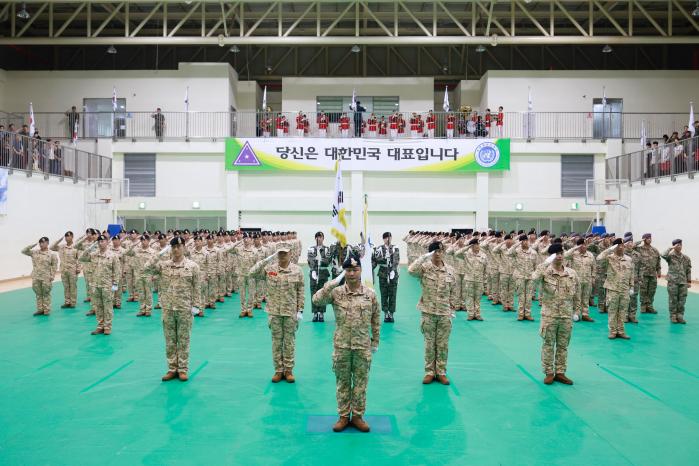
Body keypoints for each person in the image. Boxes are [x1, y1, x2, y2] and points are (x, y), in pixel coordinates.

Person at [312, 251, 380, 433]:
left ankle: (357, 416)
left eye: (355, 269)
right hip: (341, 346)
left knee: (360, 383)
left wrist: (375, 342)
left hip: (362, 346)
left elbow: (375, 318)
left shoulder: (370, 295)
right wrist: (331, 283)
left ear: (360, 271)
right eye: (348, 270)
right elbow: (316, 300)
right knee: (342, 382)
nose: (351, 273)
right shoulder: (336, 293)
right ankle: (343, 416)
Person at [145, 237, 202, 382]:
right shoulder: (164, 265)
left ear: (184, 247)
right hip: (168, 308)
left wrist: (196, 306)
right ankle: (172, 368)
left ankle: (182, 369)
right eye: (173, 247)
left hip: (184, 309)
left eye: (178, 246)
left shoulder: (193, 266)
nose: (176, 249)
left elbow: (197, 288)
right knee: (170, 341)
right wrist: (158, 254)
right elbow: (146, 267)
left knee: (183, 340)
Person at [250, 242, 305, 383]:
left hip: (290, 312)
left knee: (289, 342)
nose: (282, 255)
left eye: (285, 253)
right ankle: (278, 370)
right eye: (279, 253)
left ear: (290, 254)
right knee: (276, 342)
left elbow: (301, 291)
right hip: (274, 312)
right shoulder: (270, 269)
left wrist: (300, 310)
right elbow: (252, 272)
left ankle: (288, 370)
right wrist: (267, 259)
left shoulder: (297, 270)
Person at [408, 241, 458, 385]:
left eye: (440, 251)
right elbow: (411, 271)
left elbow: (454, 290)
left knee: (442, 344)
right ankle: (429, 372)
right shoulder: (425, 268)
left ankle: (441, 372)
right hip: (428, 312)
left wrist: (452, 309)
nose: (438, 254)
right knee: (429, 344)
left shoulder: (450, 270)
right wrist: (424, 257)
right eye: (435, 251)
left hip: (444, 313)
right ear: (431, 253)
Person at [531, 243, 578, 385]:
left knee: (563, 345)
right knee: (548, 344)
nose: (559, 256)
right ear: (551, 256)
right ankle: (549, 372)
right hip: (550, 316)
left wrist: (576, 310)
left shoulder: (571, 273)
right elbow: (534, 279)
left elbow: (577, 293)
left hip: (565, 316)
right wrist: (544, 263)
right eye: (556, 254)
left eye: (561, 253)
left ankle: (560, 372)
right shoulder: (545, 272)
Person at [79, 235, 121, 335]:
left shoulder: (113, 255)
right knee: (98, 306)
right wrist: (89, 248)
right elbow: (81, 258)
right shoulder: (94, 254)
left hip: (107, 285)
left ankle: (107, 326)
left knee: (107, 307)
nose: (101, 243)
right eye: (99, 241)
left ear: (107, 242)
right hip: (96, 285)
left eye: (103, 241)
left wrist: (114, 287)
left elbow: (117, 272)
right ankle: (100, 325)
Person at [597, 239, 634, 339]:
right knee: (612, 311)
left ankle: (621, 331)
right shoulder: (609, 258)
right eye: (618, 245)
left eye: (622, 245)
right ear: (614, 247)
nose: (621, 247)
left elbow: (631, 273)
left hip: (625, 289)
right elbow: (599, 258)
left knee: (622, 311)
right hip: (613, 289)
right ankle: (613, 331)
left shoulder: (628, 259)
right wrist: (610, 249)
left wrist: (632, 286)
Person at [21, 237, 59, 316]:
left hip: (46, 277)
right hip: (36, 276)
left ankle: (46, 310)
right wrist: (34, 244)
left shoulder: (52, 254)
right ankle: (40, 309)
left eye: (43, 242)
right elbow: (23, 251)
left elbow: (54, 266)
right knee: (38, 294)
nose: (41, 244)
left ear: (47, 243)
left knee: (46, 293)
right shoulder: (35, 252)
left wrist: (52, 276)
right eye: (40, 243)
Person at [564, 238, 596, 322]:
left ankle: (585, 314)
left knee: (586, 298)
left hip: (587, 280)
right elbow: (565, 255)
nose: (584, 246)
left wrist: (593, 277)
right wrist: (574, 248)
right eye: (581, 245)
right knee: (577, 298)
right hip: (576, 280)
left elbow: (594, 267)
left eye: (585, 245)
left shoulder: (590, 255)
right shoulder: (574, 254)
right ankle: (576, 313)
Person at [455, 238, 488, 321]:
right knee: (469, 297)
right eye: (475, 244)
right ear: (472, 246)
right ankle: (470, 314)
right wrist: (468, 247)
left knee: (478, 298)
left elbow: (486, 269)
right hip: (469, 279)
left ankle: (477, 314)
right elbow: (457, 253)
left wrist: (485, 280)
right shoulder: (466, 254)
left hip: (479, 279)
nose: (477, 246)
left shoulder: (483, 255)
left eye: (478, 244)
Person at [508, 234, 539, 321]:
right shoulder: (517, 251)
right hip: (520, 276)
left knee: (529, 297)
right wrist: (516, 244)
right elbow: (508, 253)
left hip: (530, 277)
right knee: (521, 296)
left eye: (526, 240)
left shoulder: (533, 252)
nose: (525, 242)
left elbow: (536, 266)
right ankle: (521, 314)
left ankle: (528, 313)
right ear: (520, 242)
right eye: (523, 241)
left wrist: (535, 276)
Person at [661, 239, 692, 324]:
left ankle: (680, 316)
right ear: (674, 246)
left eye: (681, 245)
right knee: (673, 300)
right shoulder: (670, 256)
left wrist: (689, 281)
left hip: (683, 282)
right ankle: (673, 316)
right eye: (677, 245)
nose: (680, 246)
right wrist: (670, 248)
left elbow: (688, 270)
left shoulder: (686, 258)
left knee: (682, 300)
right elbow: (663, 255)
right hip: (673, 282)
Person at [126, 234, 157, 316]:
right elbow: (127, 253)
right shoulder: (137, 250)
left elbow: (156, 264)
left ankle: (148, 310)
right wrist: (134, 245)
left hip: (148, 275)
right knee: (141, 293)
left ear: (149, 241)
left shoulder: (153, 252)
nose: (143, 242)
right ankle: (142, 309)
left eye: (145, 240)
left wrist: (154, 275)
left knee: (148, 293)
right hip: (138, 275)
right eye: (142, 240)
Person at [373, 232, 400, 323]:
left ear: (391, 238)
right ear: (383, 239)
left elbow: (396, 259)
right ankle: (385, 312)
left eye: (389, 237)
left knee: (392, 294)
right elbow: (377, 259)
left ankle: (391, 313)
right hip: (383, 273)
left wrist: (393, 269)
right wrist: (385, 258)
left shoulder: (395, 247)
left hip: (393, 273)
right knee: (384, 294)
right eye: (385, 238)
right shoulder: (379, 248)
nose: (387, 239)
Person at [307, 232, 333, 322]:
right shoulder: (311, 249)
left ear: (323, 238)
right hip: (314, 272)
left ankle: (321, 313)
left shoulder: (327, 249)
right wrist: (315, 264)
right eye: (317, 237)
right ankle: (315, 313)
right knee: (313, 292)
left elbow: (328, 261)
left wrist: (320, 260)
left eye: (320, 237)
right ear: (315, 238)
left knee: (323, 292)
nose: (319, 238)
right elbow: (310, 260)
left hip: (323, 273)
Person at [50, 231, 80, 308]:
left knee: (73, 286)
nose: (67, 238)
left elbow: (79, 258)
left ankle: (73, 302)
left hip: (73, 270)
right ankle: (67, 302)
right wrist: (60, 239)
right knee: (66, 286)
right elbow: (51, 247)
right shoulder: (61, 246)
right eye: (66, 236)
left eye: (69, 236)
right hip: (63, 270)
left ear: (72, 237)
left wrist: (78, 268)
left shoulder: (76, 246)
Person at [633, 233, 661, 314]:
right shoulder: (639, 249)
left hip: (652, 274)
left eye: (650, 238)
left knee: (652, 290)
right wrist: (640, 241)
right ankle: (643, 306)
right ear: (644, 239)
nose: (649, 239)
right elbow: (632, 246)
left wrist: (658, 271)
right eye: (647, 238)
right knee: (643, 290)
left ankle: (649, 306)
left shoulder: (655, 250)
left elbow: (658, 261)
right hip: (643, 274)